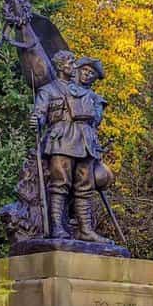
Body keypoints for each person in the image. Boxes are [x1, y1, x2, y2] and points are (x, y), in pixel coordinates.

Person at [31, 50, 111, 242]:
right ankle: (56, 227)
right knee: (60, 184)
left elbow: (96, 120)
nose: (74, 66)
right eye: (71, 63)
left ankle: (85, 230)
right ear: (60, 66)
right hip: (62, 140)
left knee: (85, 187)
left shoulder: (90, 95)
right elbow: (40, 114)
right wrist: (37, 120)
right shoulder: (48, 90)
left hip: (86, 142)